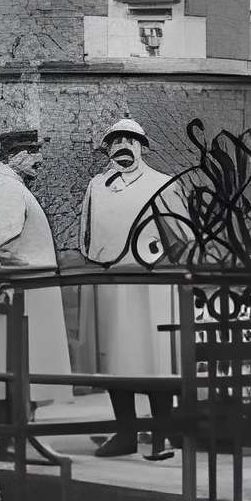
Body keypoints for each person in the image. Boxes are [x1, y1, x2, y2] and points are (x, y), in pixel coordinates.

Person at [79, 118, 178, 459]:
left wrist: (168, 270)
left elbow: (181, 238)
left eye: (130, 140)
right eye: (115, 140)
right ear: (107, 148)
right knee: (114, 362)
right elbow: (87, 236)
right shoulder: (97, 186)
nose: (123, 145)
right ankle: (126, 434)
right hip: (110, 284)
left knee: (154, 359)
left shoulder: (161, 184)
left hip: (151, 287)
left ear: (142, 146)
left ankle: (163, 433)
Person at [0, 128, 73, 427]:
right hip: (20, 297)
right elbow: (2, 246)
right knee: (18, 364)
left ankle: (16, 436)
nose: (39, 159)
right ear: (12, 157)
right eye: (31, 153)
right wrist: (27, 280)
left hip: (20, 294)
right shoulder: (8, 190)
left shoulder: (10, 185)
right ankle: (17, 437)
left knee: (17, 366)